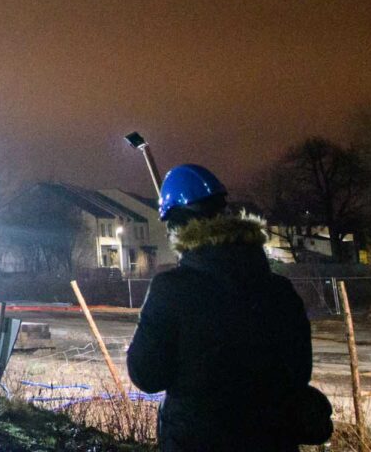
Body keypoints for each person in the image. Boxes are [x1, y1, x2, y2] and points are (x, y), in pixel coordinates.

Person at [128, 164, 326, 451]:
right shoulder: (280, 291)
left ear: (176, 228)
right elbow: (299, 373)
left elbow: (146, 374)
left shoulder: (171, 290)